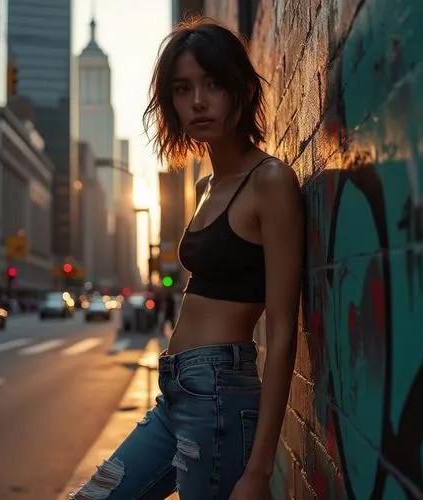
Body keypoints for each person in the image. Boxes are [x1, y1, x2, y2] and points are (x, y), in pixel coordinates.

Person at [70, 17, 304, 500]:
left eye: (213, 84)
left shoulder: (270, 182)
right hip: (176, 393)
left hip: (220, 396)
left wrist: (260, 470)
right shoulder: (204, 187)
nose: (198, 101)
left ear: (240, 89)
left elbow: (282, 331)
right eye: (182, 89)